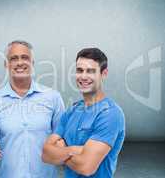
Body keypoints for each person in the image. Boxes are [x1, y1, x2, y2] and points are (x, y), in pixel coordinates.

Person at [0, 40, 65, 178]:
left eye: (25, 57)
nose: (20, 63)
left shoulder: (53, 98)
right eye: (14, 58)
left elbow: (63, 141)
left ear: (32, 63)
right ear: (6, 64)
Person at [42, 48, 125, 178]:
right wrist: (76, 150)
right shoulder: (72, 111)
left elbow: (86, 167)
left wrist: (61, 150)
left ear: (104, 74)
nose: (83, 76)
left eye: (90, 71)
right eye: (80, 70)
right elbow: (46, 154)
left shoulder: (110, 114)